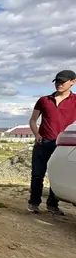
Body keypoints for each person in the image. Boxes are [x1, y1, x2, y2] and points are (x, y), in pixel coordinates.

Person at [28, 70, 76, 215]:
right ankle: (33, 203)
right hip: (43, 142)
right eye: (57, 81)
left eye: (62, 81)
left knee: (56, 174)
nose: (59, 84)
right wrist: (36, 134)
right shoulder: (44, 100)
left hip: (62, 145)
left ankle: (52, 204)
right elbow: (33, 120)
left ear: (72, 82)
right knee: (37, 174)